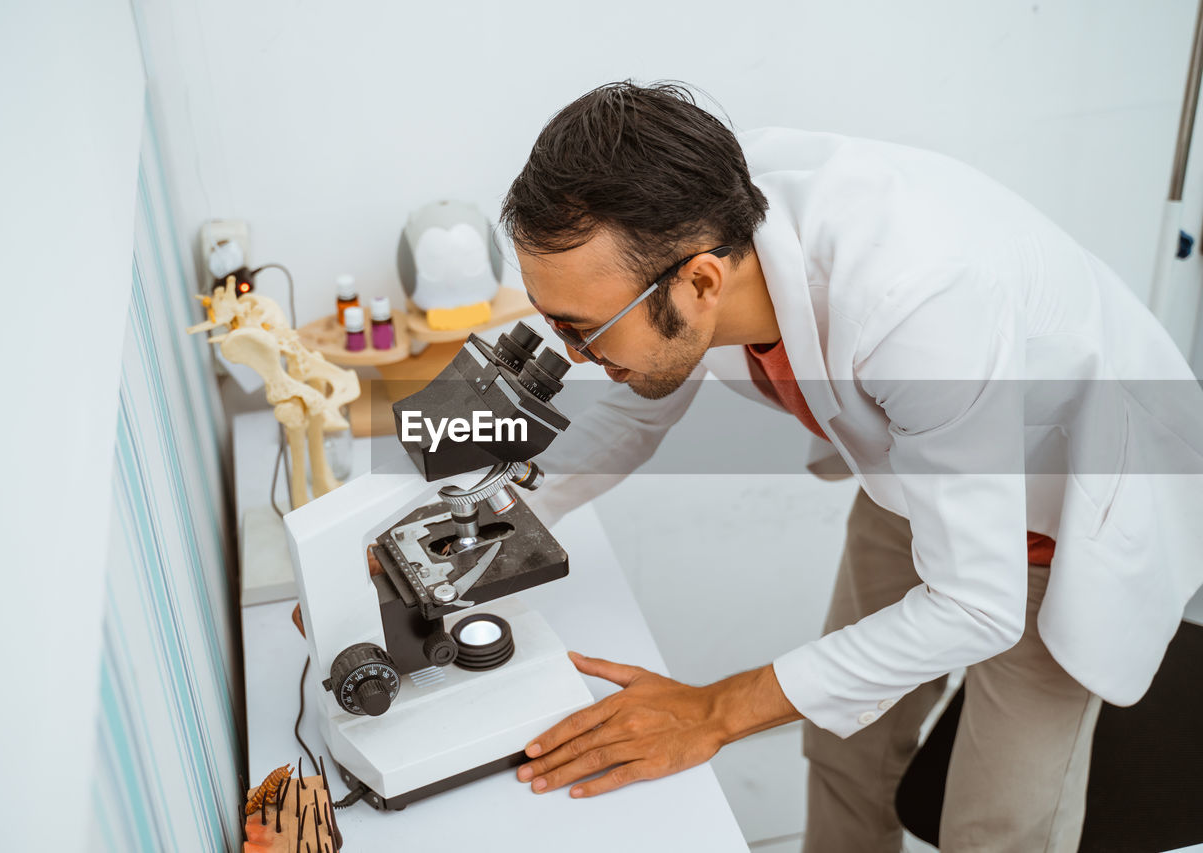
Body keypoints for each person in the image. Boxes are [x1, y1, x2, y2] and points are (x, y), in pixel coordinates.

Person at [498, 81, 1203, 852]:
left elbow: (977, 605)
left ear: (701, 281)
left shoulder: (917, 299)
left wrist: (715, 711)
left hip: (1057, 521)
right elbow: (641, 400)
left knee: (995, 826)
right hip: (917, 469)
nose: (576, 355)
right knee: (843, 745)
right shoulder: (697, 210)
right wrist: (495, 525)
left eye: (583, 329)